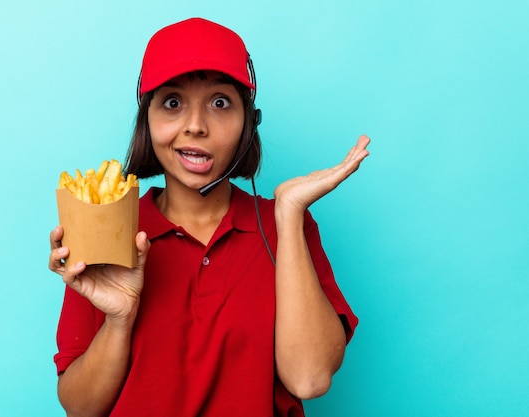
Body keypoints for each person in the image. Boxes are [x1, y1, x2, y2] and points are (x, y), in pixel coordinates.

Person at [49, 17, 370, 417]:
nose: (196, 126)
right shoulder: (107, 223)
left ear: (249, 124)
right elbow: (80, 410)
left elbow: (310, 378)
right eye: (172, 102)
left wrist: (288, 214)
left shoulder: (289, 227)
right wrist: (119, 320)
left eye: (220, 103)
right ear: (146, 120)